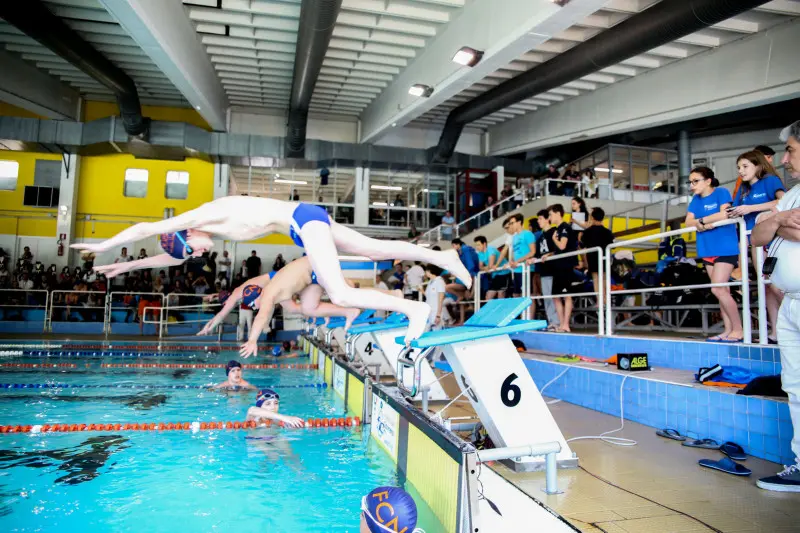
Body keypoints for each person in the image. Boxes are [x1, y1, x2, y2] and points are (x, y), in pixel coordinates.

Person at [72, 196, 471, 343]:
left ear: (186, 233)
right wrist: (123, 264)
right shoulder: (200, 235)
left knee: (344, 292)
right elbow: (169, 256)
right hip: (304, 224)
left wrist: (103, 244)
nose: (197, 257)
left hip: (303, 220)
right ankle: (443, 257)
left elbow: (148, 228)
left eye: (192, 251)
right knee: (377, 248)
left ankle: (414, 311)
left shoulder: (206, 215)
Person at [751, 119, 800, 492]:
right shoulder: (793, 195)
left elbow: (773, 227)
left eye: (791, 150)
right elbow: (758, 234)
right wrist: (781, 218)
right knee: (796, 386)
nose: (784, 160)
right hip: (790, 302)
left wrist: (774, 221)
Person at [729, 150, 785, 343]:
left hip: (775, 239)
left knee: (778, 286)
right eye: (738, 168)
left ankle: (793, 327)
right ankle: (775, 333)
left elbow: (783, 201)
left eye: (745, 166)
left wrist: (752, 208)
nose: (741, 171)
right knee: (766, 287)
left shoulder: (770, 181)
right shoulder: (743, 190)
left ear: (759, 166)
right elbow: (733, 210)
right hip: (754, 241)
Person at [685, 166, 743, 342]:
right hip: (707, 249)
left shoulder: (721, 192)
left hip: (725, 247)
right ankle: (727, 330)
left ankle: (739, 329)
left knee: (717, 288)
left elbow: (725, 214)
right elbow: (687, 222)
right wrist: (700, 223)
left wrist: (702, 221)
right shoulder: (695, 199)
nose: (692, 185)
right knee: (721, 291)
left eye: (696, 181)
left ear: (708, 180)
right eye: (690, 182)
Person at [548, 204, 578, 332]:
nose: (549, 217)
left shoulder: (565, 227)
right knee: (555, 296)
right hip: (558, 266)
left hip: (566, 266)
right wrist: (549, 254)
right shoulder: (558, 229)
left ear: (558, 213)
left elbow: (562, 246)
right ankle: (561, 324)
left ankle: (566, 324)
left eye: (550, 214)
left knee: (566, 295)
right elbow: (559, 250)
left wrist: (554, 239)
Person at [580, 207, 615, 299]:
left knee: (596, 279)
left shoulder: (587, 232)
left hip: (592, 258)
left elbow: (582, 244)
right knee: (604, 278)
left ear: (592, 218)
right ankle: (606, 299)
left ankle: (599, 301)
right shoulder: (607, 232)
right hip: (604, 258)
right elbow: (613, 245)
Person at [508, 213, 536, 298]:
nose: (511, 225)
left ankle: (530, 312)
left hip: (526, 269)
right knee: (516, 294)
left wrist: (518, 261)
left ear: (519, 222)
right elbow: (514, 252)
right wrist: (512, 262)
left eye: (512, 223)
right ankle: (520, 312)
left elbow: (532, 252)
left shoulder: (528, 234)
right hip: (517, 270)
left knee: (527, 295)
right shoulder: (514, 237)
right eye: (510, 223)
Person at [473, 235, 508, 302]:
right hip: (494, 275)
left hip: (503, 273)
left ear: (484, 244)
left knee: (501, 294)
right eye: (476, 245)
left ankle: (501, 312)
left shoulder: (491, 250)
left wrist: (486, 268)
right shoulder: (480, 253)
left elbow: (490, 265)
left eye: (478, 245)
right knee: (488, 296)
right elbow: (480, 267)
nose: (477, 247)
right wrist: (486, 268)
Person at [423, 264, 451, 329]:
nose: (425, 273)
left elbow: (441, 299)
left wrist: (438, 315)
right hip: (429, 312)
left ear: (429, 271)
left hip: (436, 312)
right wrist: (421, 290)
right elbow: (428, 296)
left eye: (426, 271)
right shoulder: (430, 282)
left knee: (437, 332)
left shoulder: (440, 281)